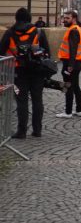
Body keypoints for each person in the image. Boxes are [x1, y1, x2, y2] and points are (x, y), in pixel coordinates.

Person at [0, 8, 50, 138]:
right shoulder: (38, 32)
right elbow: (48, 53)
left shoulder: (10, 32)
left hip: (18, 72)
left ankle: (21, 132)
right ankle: (37, 130)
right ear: (29, 18)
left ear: (16, 18)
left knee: (21, 101)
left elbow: (1, 52)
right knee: (37, 100)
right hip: (37, 71)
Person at [56, 10, 81, 119]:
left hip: (70, 63)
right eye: (64, 18)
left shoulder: (73, 30)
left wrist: (70, 65)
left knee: (68, 87)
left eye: (67, 18)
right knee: (75, 86)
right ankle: (79, 110)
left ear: (74, 19)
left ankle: (68, 112)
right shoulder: (76, 29)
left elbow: (73, 49)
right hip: (75, 63)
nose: (64, 20)